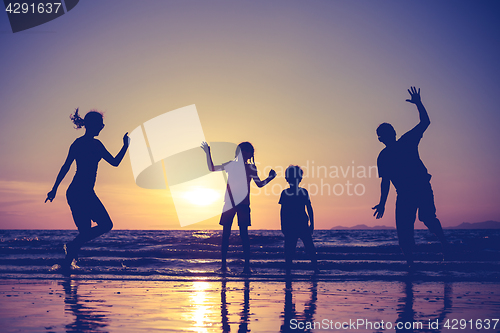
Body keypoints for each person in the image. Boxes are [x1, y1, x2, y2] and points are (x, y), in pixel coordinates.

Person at [372, 87, 448, 269]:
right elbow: (385, 181)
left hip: (421, 187)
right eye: (381, 137)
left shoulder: (407, 141)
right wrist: (382, 203)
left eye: (383, 135)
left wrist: (419, 103)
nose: (382, 139)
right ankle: (411, 266)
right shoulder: (384, 156)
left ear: (391, 134)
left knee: (427, 218)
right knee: (405, 231)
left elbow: (425, 122)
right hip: (405, 194)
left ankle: (445, 246)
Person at [45, 108, 129, 272]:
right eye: (101, 124)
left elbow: (114, 162)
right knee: (105, 225)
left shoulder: (89, 144)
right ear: (93, 125)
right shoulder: (86, 144)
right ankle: (70, 253)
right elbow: (66, 167)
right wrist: (53, 189)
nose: (102, 127)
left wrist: (125, 146)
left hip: (81, 192)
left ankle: (66, 272)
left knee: (84, 234)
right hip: (80, 192)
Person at [201, 141, 276, 273]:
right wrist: (208, 153)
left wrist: (270, 178)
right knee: (226, 235)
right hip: (230, 203)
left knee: (244, 235)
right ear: (240, 152)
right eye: (246, 151)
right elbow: (212, 168)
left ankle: (247, 267)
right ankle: (223, 266)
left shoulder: (251, 168)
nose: (249, 153)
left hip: (244, 204)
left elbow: (259, 184)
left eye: (250, 151)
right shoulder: (232, 165)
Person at [279, 165, 318, 273]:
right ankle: (288, 269)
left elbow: (309, 208)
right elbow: (282, 211)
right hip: (293, 225)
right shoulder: (286, 193)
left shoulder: (302, 192)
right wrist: (283, 225)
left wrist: (312, 224)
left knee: (309, 247)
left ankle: (314, 268)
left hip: (301, 224)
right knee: (290, 249)